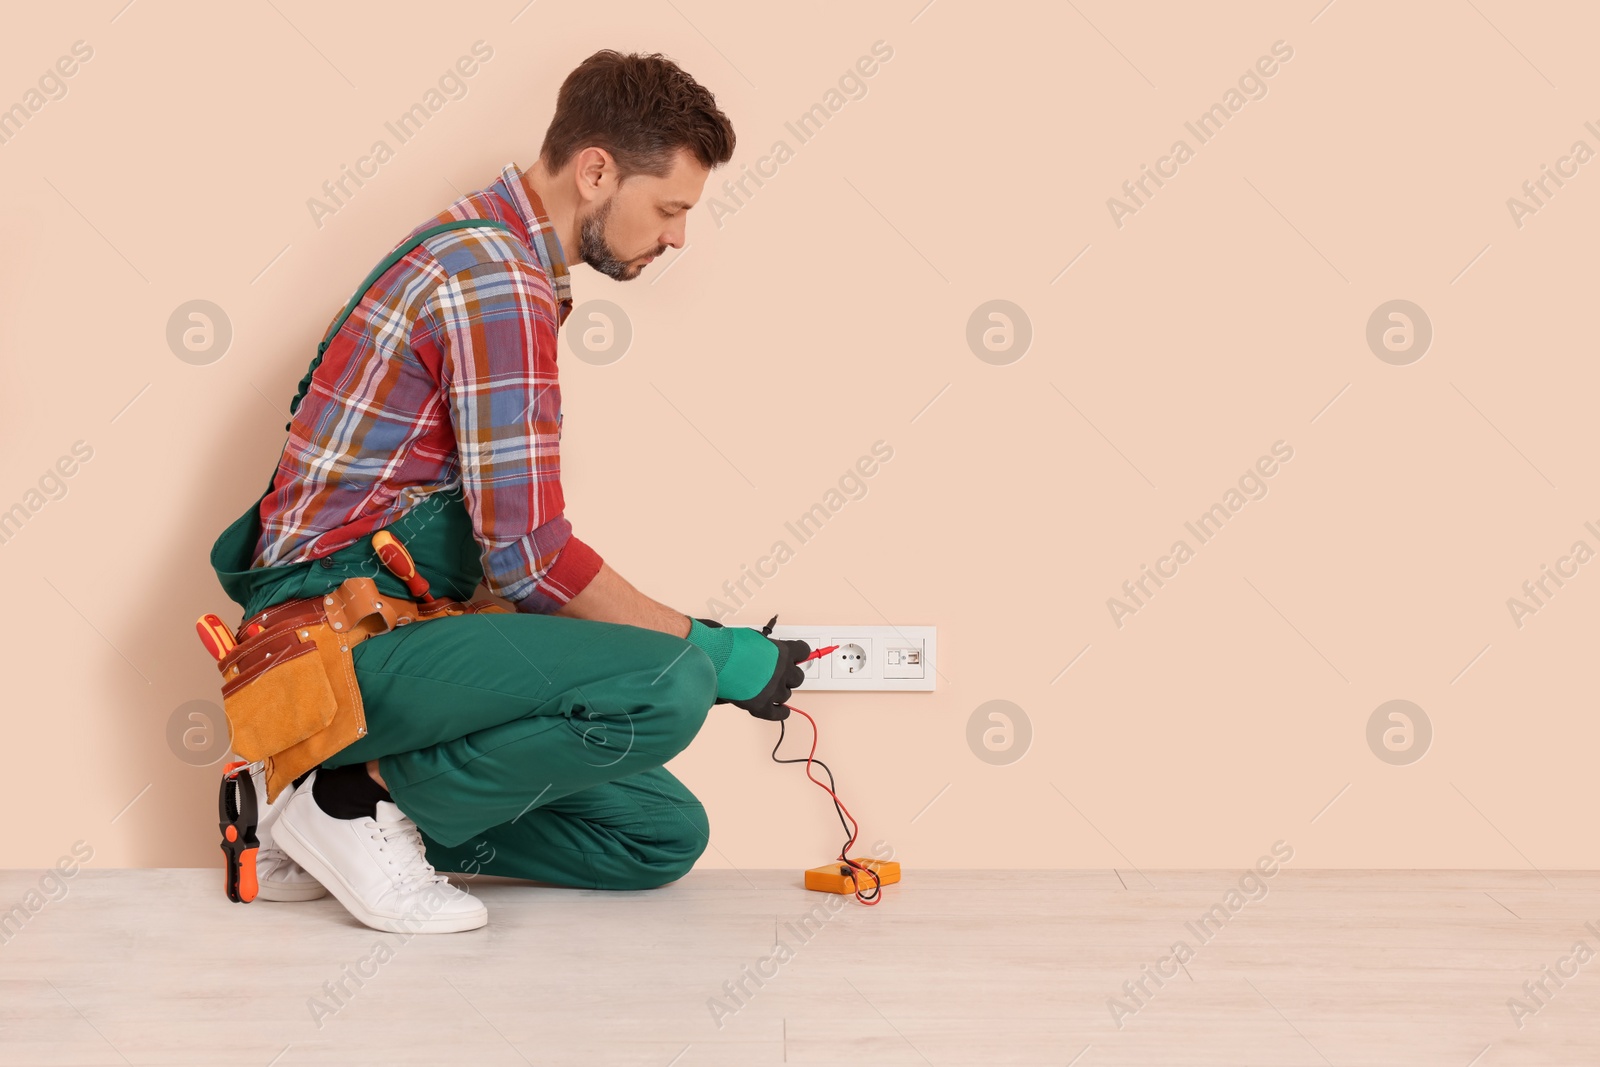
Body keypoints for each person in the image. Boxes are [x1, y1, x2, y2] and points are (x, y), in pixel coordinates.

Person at [208, 50, 810, 934]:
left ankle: (313, 819)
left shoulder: (495, 255)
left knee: (656, 835)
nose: (678, 236)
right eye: (671, 207)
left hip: (414, 629)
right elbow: (529, 560)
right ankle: (343, 796)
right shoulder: (492, 279)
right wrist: (714, 652)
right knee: (672, 684)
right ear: (596, 170)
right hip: (335, 643)